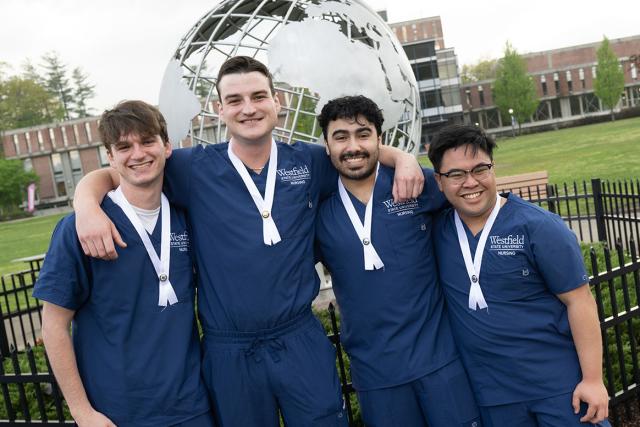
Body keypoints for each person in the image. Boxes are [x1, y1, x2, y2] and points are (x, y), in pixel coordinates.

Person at [72, 56, 424, 426]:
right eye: (236, 100)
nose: (249, 108)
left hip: (298, 338)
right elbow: (127, 169)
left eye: (258, 96)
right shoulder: (194, 168)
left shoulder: (308, 162)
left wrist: (402, 158)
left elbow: (354, 153)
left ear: (278, 102)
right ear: (219, 109)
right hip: (230, 351)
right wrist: (85, 203)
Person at [33, 101, 212, 427]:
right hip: (116, 412)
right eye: (124, 147)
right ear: (109, 156)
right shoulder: (79, 229)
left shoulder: (187, 217)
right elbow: (54, 326)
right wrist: (82, 412)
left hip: (191, 407)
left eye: (147, 141)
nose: (138, 154)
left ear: (167, 146)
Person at [314, 96, 482, 426]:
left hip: (440, 362)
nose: (353, 146)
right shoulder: (317, 207)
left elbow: (474, 197)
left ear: (379, 138)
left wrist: (406, 159)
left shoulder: (412, 183)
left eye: (363, 134)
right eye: (341, 136)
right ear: (326, 144)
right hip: (377, 375)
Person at [428, 124, 610, 427]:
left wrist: (593, 380)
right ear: (439, 181)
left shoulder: (539, 226)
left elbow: (580, 301)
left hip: (558, 387)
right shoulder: (437, 231)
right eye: (456, 174)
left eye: (480, 169)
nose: (470, 182)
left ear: (493, 168)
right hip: (492, 396)